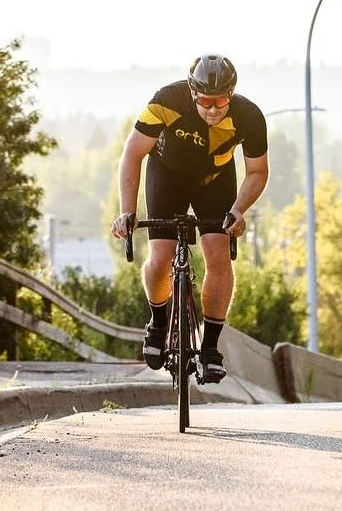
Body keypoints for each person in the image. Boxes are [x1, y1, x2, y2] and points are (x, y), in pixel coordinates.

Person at [110, 53, 269, 383]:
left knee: (218, 254)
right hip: (166, 177)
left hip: (215, 181)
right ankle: (158, 322)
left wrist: (238, 210)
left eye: (221, 100)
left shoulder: (249, 116)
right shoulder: (166, 100)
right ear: (193, 93)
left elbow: (257, 171)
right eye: (206, 101)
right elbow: (133, 154)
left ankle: (210, 349)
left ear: (232, 95)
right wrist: (127, 211)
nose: (213, 109)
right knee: (160, 257)